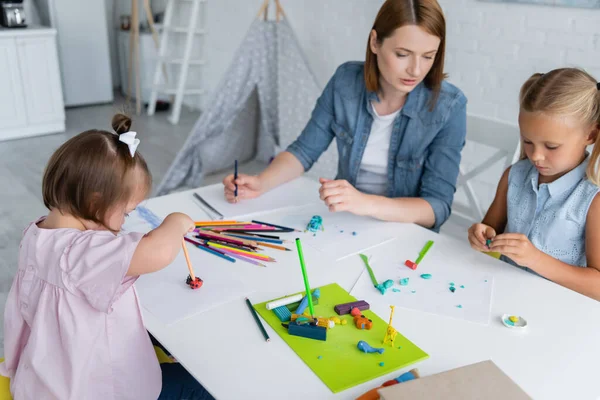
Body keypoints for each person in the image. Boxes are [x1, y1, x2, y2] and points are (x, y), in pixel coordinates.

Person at [0, 114, 214, 399]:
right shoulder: (81, 252)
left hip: (37, 381)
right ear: (95, 202)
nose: (124, 224)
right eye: (125, 213)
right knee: (201, 383)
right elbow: (158, 252)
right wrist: (175, 221)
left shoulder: (35, 233)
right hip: (87, 390)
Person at [223, 0, 467, 231]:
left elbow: (437, 207)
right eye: (403, 54)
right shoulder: (345, 82)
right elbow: (304, 150)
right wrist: (261, 183)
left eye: (428, 56)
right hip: (345, 221)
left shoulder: (449, 106)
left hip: (404, 233)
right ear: (375, 42)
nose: (416, 70)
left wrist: (366, 203)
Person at [468, 68, 600, 301]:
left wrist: (536, 259)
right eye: (528, 141)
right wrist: (481, 235)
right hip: (503, 298)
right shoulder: (514, 177)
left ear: (590, 135)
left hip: (558, 312)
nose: (536, 156)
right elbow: (490, 228)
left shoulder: (593, 201)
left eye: (551, 146)